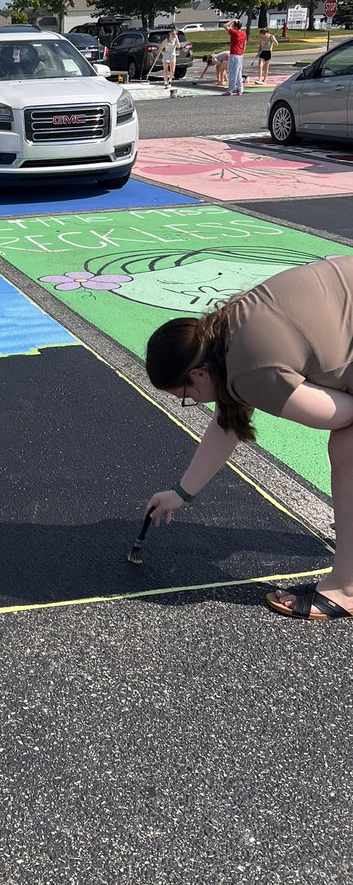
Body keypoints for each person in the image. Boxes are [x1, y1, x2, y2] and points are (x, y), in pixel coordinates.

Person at [143, 255, 353, 620]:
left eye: (186, 396)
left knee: (347, 448)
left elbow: (343, 414)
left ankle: (347, 588)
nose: (194, 401)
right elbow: (227, 422)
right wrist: (181, 493)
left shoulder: (248, 372)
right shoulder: (230, 323)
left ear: (198, 375)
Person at [222, 19, 247, 96]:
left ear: (235, 26)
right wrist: (242, 53)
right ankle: (240, 89)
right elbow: (244, 44)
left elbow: (225, 26)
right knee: (238, 73)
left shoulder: (234, 32)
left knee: (232, 72)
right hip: (240, 55)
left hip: (234, 54)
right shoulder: (244, 34)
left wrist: (232, 21)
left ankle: (230, 90)